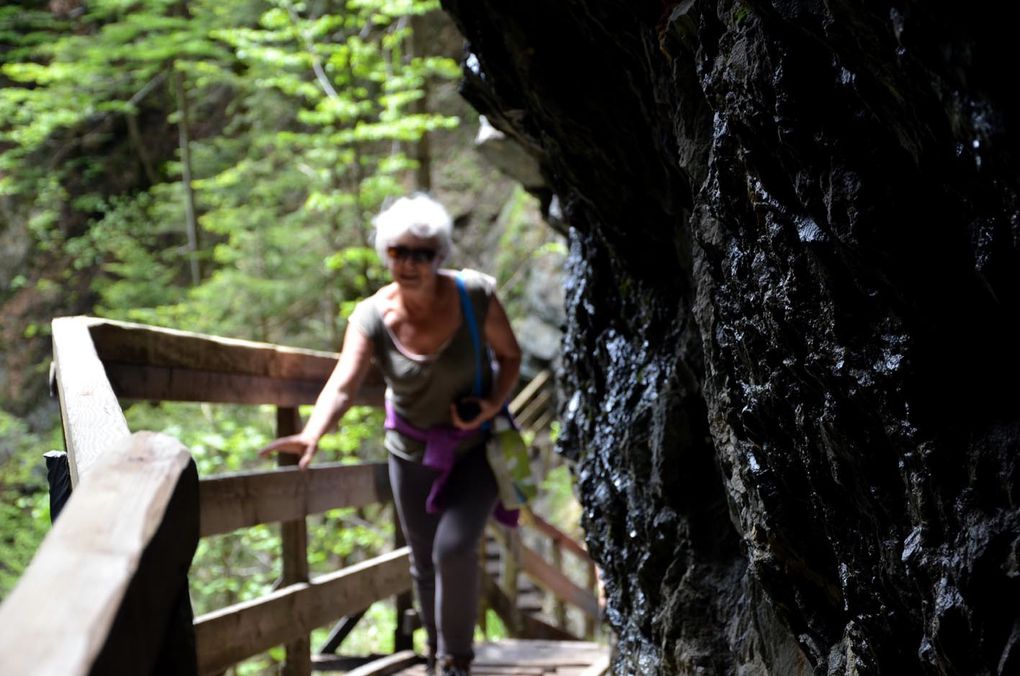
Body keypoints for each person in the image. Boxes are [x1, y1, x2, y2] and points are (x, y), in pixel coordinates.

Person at [260, 193, 522, 676]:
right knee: (423, 560)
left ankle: (456, 661)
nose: (408, 263)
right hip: (411, 450)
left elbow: (511, 356)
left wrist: (488, 404)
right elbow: (344, 381)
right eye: (398, 251)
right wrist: (312, 434)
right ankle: (437, 655)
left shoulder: (475, 295)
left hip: (476, 447)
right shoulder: (373, 315)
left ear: (439, 256)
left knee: (454, 546)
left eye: (420, 253)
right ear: (386, 253)